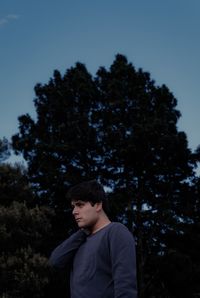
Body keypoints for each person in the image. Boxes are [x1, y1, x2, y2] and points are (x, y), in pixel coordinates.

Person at [49, 180, 137, 298]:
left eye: (80, 205)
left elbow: (125, 287)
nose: (74, 212)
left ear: (98, 205)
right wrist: (83, 233)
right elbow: (55, 262)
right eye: (73, 206)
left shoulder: (116, 232)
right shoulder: (80, 240)